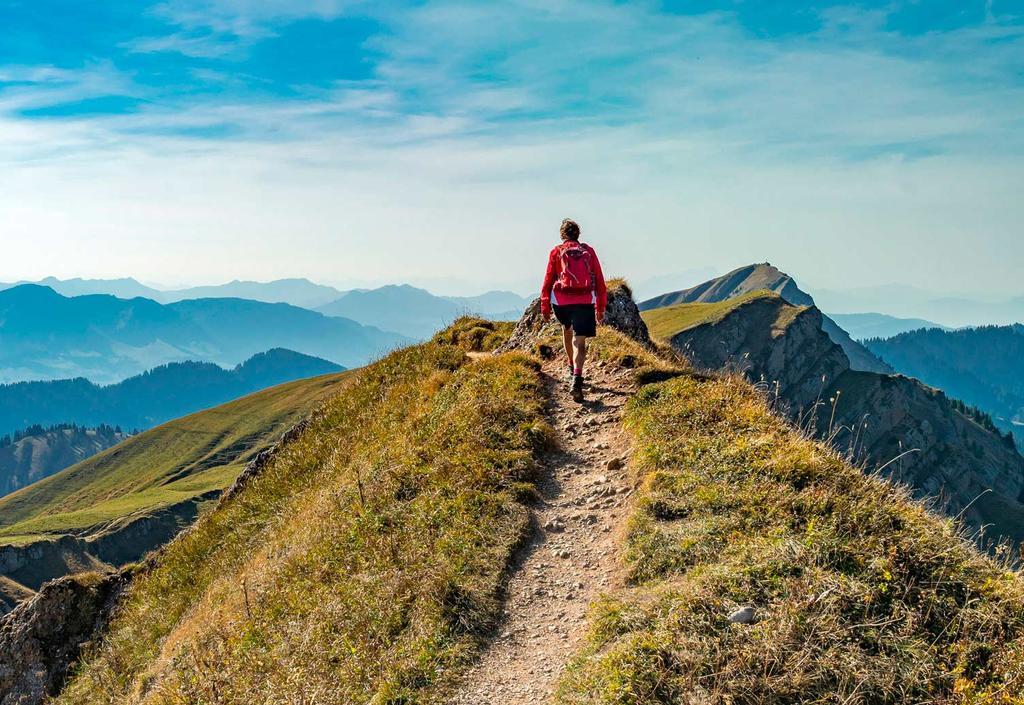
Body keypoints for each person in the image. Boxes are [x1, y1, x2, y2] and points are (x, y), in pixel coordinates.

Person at [540, 218, 607, 402]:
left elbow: (548, 279)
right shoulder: (589, 252)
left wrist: (545, 304)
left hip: (560, 302)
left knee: (566, 329)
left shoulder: (556, 251)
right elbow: (600, 280)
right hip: (584, 300)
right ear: (578, 234)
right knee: (580, 342)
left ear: (562, 235)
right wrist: (600, 307)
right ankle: (577, 376)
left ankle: (570, 366)